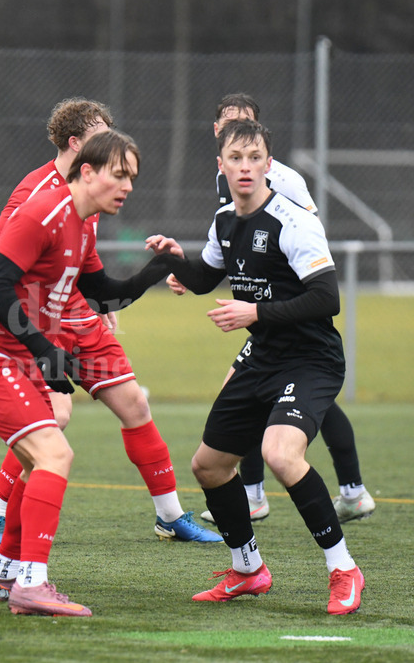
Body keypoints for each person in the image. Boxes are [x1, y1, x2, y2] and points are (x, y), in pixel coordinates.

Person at [0, 98, 220, 547]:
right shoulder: (37, 195)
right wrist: (35, 334)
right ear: (76, 146)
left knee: (134, 405)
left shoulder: (94, 192)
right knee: (55, 416)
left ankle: (170, 516)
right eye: (101, 137)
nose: (113, 150)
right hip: (38, 321)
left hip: (77, 314)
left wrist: (157, 270)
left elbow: (92, 278)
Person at [0, 130, 177, 616]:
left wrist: (156, 270)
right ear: (87, 171)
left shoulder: (82, 221)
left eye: (133, 177)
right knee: (55, 454)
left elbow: (101, 295)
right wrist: (43, 350)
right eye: (119, 175)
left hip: (14, 357)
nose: (128, 186)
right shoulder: (44, 211)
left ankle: (5, 574)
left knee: (39, 462)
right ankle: (31, 585)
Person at [147, 118, 365, 615]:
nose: (245, 167)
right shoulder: (224, 220)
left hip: (310, 358)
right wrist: (174, 260)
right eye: (235, 158)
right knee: (209, 466)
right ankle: (248, 569)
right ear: (221, 166)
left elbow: (326, 298)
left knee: (280, 454)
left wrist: (255, 313)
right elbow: (205, 277)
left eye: (254, 158)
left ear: (269, 164)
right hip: (263, 357)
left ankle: (344, 569)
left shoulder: (293, 221)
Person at [169, 93, 373, 525]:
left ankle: (334, 498)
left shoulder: (285, 189)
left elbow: (308, 247)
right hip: (266, 336)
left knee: (304, 415)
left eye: (249, 136)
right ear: (219, 140)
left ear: (266, 153)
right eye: (230, 130)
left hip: (296, 329)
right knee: (248, 405)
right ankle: (257, 500)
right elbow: (221, 256)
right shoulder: (225, 188)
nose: (244, 157)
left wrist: (259, 305)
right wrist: (179, 268)